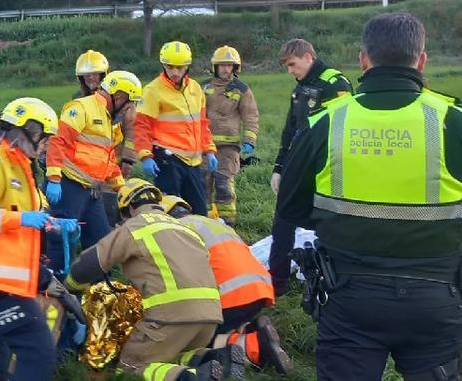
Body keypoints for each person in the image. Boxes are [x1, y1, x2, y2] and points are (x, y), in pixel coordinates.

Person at [277, 13, 462, 381]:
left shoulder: (327, 122)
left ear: (363, 59)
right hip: (438, 298)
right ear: (421, 60)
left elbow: (291, 207)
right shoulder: (452, 121)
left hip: (348, 296)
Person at [0, 97, 78, 380]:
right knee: (38, 350)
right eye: (44, 137)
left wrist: (52, 224)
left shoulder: (22, 168)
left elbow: (18, 215)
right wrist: (22, 219)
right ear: (29, 131)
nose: (46, 144)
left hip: (2, 277)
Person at [65, 179, 243, 380]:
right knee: (175, 354)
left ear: (130, 208)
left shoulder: (134, 227)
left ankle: (190, 377)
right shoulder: (186, 229)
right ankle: (215, 358)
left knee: (130, 367)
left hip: (170, 317)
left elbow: (91, 263)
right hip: (210, 317)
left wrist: (70, 287)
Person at [159, 195, 292, 375]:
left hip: (231, 295)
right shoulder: (212, 223)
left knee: (197, 340)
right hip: (261, 288)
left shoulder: (175, 230)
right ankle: (249, 327)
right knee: (229, 319)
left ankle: (253, 346)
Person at [267, 38, 353, 296]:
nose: (290, 71)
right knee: (282, 220)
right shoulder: (300, 88)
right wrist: (279, 167)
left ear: (308, 57)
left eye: (292, 65)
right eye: (286, 67)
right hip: (297, 165)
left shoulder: (336, 84)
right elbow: (290, 129)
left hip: (325, 168)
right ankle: (276, 282)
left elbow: (345, 131)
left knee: (329, 225)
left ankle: (334, 277)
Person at [45, 70, 143, 255]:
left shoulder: (109, 120)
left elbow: (107, 160)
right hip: (68, 186)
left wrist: (121, 187)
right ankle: (58, 281)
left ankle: (99, 283)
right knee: (63, 240)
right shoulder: (82, 108)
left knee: (101, 241)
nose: (131, 111)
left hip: (92, 190)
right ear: (120, 97)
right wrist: (54, 179)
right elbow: (58, 142)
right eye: (131, 104)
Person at [135, 41, 218, 215]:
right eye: (170, 67)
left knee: (199, 211)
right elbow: (142, 126)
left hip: (193, 161)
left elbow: (202, 123)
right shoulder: (153, 90)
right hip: (167, 159)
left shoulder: (195, 89)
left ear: (187, 67)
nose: (174, 72)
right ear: (163, 65)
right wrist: (145, 156)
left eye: (179, 68)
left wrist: (209, 150)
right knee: (170, 211)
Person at [201, 46, 259, 225]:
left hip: (229, 148)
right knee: (202, 185)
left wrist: (249, 139)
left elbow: (251, 115)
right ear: (215, 67)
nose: (226, 69)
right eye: (222, 65)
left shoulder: (241, 89)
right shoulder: (203, 87)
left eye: (230, 65)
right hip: (203, 146)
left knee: (224, 185)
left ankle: (227, 223)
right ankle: (203, 221)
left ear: (235, 67)